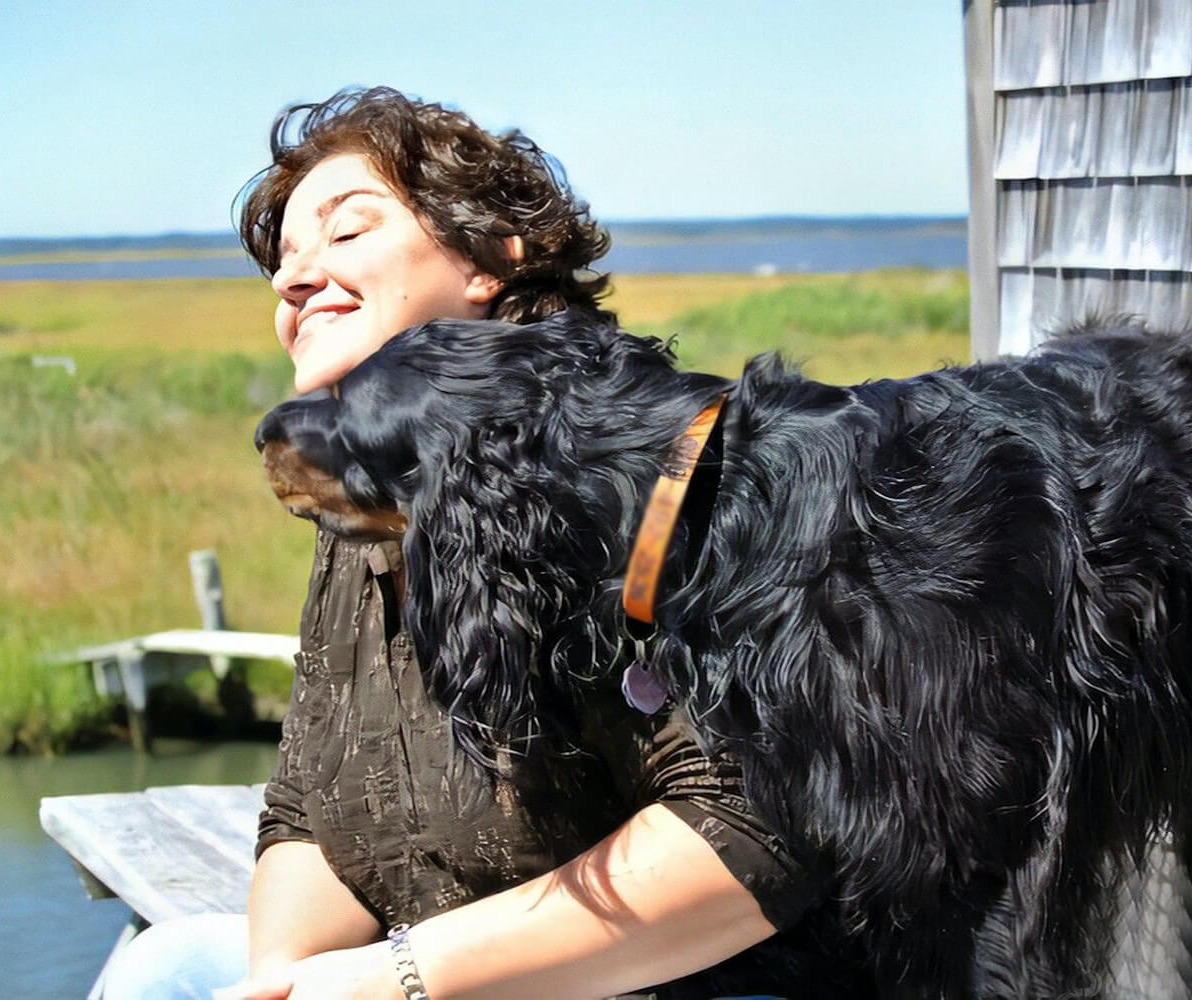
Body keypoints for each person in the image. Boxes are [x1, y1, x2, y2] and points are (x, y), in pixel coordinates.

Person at [108, 87, 868, 1000]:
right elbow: (307, 805)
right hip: (438, 965)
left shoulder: (646, 474)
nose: (292, 277)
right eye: (284, 257)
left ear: (492, 258)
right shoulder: (376, 490)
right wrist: (281, 982)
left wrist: (400, 978)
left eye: (346, 233)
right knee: (167, 970)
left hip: (700, 979)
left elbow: (757, 830)